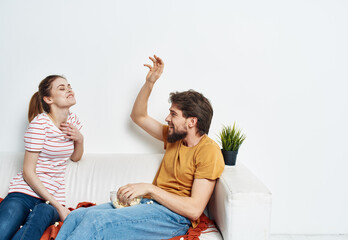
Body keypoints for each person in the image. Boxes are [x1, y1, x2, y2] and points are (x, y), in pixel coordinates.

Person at [55, 55, 224, 240]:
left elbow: (193, 210)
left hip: (174, 218)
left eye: (173, 114)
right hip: (149, 205)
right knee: (77, 216)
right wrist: (149, 83)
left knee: (97, 221)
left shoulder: (209, 151)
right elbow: (138, 116)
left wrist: (149, 189)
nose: (167, 119)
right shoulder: (174, 137)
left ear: (192, 121)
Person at [0, 75, 84, 240]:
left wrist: (80, 139)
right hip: (24, 194)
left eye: (69, 86)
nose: (69, 89)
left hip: (51, 201)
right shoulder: (39, 125)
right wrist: (58, 206)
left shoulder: (74, 120)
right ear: (48, 99)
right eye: (61, 88)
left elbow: (75, 158)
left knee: (44, 211)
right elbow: (28, 172)